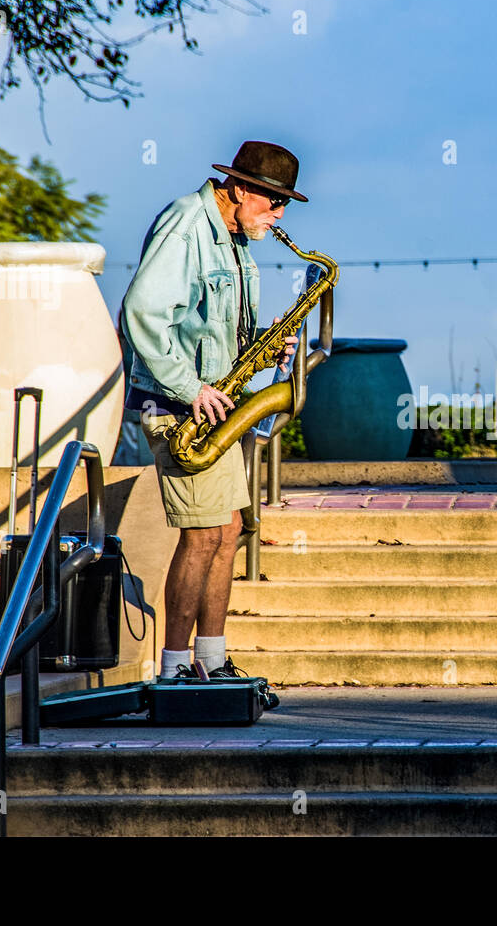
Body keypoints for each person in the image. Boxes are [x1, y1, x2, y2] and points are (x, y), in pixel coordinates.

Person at [121, 140, 307, 681]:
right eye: (273, 203)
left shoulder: (234, 240)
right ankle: (175, 667)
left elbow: (217, 328)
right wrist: (191, 387)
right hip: (178, 405)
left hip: (213, 404)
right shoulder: (185, 224)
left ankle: (211, 660)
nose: (278, 217)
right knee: (202, 534)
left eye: (285, 207)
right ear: (241, 189)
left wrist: (267, 347)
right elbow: (142, 312)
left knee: (227, 531)